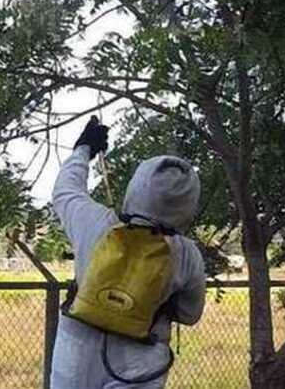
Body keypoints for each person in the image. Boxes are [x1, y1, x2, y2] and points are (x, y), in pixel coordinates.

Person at [50, 117, 207, 388]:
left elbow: (65, 190)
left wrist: (83, 149)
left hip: (75, 352)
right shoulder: (186, 254)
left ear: (138, 185)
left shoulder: (95, 223)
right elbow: (190, 315)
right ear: (188, 203)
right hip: (142, 360)